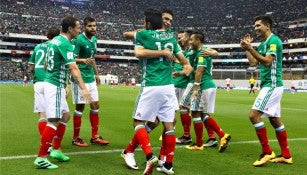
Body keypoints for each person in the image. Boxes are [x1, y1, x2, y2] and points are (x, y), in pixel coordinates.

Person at [121, 8, 192, 175]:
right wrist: (186, 66)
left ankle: (149, 156)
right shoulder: (172, 38)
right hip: (168, 87)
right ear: (160, 21)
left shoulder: (144, 35)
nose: (168, 22)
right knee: (168, 124)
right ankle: (167, 164)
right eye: (165, 19)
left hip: (151, 85)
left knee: (138, 123)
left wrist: (159, 50)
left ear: (147, 23)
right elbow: (184, 61)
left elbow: (134, 47)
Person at [33, 16, 91, 169]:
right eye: (78, 27)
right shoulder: (66, 44)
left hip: (50, 82)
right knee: (54, 120)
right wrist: (84, 89)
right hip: (55, 86)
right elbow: (73, 68)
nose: (80, 29)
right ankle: (41, 157)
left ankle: (56, 150)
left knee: (65, 116)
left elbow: (45, 64)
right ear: (70, 29)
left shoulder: (54, 40)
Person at [240, 15, 293, 166]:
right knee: (275, 120)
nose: (255, 28)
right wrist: (247, 49)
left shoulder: (274, 41)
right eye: (255, 26)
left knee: (254, 115)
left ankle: (267, 152)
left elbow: (268, 61)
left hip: (272, 84)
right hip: (267, 85)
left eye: (258, 26)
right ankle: (287, 155)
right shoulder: (263, 44)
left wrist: (250, 48)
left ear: (267, 25)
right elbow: (253, 62)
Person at [184, 31, 231, 152]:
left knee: (195, 113)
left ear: (198, 40)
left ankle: (199, 144)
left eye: (191, 40)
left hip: (203, 86)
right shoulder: (201, 50)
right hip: (207, 85)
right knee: (203, 114)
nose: (190, 42)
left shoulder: (202, 52)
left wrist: (195, 87)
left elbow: (199, 70)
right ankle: (222, 136)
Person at [71, 16, 109, 147]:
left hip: (91, 77)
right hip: (79, 77)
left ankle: (95, 136)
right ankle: (76, 137)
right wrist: (83, 60)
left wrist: (97, 74)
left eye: (94, 26)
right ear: (84, 27)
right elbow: (71, 59)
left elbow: (92, 59)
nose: (93, 28)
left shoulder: (94, 40)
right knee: (80, 106)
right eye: (90, 26)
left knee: (95, 105)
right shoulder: (78, 40)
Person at [28, 27, 60, 138]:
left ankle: (46, 144)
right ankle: (54, 141)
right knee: (56, 115)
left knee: (42, 115)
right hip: (52, 81)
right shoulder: (56, 46)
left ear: (47, 36)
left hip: (38, 82)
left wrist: (37, 75)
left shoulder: (37, 47)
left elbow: (31, 67)